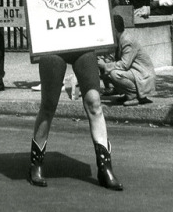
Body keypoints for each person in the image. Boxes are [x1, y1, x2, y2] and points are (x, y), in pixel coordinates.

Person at [28, 50, 123, 190]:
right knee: (48, 105)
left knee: (94, 103)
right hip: (51, 45)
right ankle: (36, 164)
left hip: (83, 45)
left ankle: (105, 167)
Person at [98, 15, 156, 106]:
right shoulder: (118, 39)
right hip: (134, 72)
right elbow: (111, 57)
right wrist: (101, 60)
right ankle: (128, 93)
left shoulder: (127, 40)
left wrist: (105, 66)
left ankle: (133, 95)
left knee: (114, 74)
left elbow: (124, 65)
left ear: (114, 29)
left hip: (143, 74)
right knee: (107, 73)